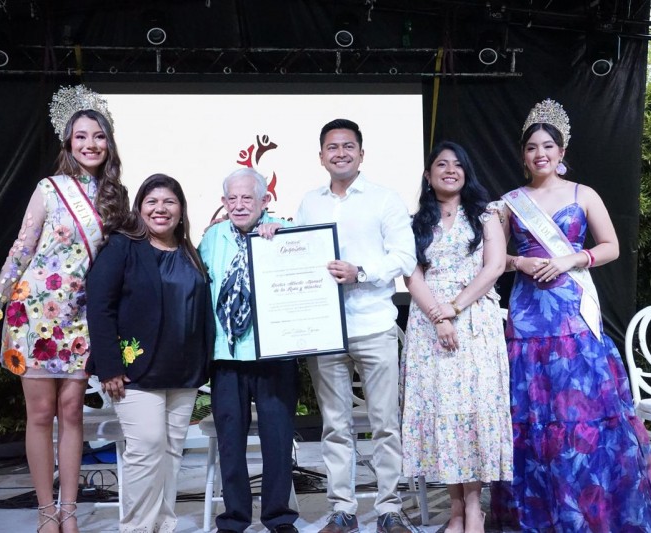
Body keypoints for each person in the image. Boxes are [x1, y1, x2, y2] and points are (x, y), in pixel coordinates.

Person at [491, 99, 651, 531]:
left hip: (574, 310)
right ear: (523, 155)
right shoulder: (510, 203)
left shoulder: (583, 194)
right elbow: (493, 259)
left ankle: (589, 508)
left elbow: (611, 246)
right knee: (532, 411)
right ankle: (538, 513)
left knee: (579, 409)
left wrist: (574, 258)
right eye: (531, 147)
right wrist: (520, 262)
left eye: (547, 146)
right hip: (528, 316)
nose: (540, 154)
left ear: (561, 151)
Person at [0, 85, 131, 533]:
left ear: (109, 142)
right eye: (81, 137)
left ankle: (70, 510)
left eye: (98, 136)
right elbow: (21, 250)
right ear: (68, 142)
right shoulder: (49, 188)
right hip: (35, 314)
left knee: (73, 412)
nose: (90, 145)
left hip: (81, 316)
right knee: (41, 415)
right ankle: (46, 511)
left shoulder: (116, 196)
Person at [295, 119, 417, 533]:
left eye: (348, 146)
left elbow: (404, 256)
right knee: (335, 425)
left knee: (385, 424)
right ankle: (342, 509)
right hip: (326, 330)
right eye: (332, 147)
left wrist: (360, 271)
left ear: (361, 154)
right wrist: (276, 232)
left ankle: (389, 509)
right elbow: (299, 255)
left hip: (374, 324)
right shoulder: (309, 203)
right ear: (321, 156)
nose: (340, 153)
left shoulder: (385, 199)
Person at [86, 174, 213, 533]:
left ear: (181, 210)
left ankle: (164, 526)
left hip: (184, 372)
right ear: (139, 208)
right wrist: (109, 365)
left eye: (169, 202)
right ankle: (137, 528)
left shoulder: (189, 252)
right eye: (152, 202)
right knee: (146, 450)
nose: (161, 209)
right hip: (134, 372)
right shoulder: (122, 247)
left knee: (171, 453)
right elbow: (99, 306)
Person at [401, 141, 512, 533]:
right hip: (429, 325)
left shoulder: (486, 215)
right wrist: (438, 314)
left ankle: (475, 508)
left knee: (473, 412)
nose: (450, 170)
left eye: (457, 165)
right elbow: (411, 274)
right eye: (441, 165)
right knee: (444, 415)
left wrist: (455, 307)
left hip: (475, 321)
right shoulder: (414, 222)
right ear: (428, 175)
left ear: (467, 173)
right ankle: (455, 510)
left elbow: (494, 266)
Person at [199, 167, 299, 533]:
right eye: (232, 199)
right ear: (223, 202)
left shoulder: (284, 232)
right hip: (226, 356)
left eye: (247, 198)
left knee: (278, 439)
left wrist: (279, 239)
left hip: (273, 353)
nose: (239, 205)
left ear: (264, 200)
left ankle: (278, 516)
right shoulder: (212, 237)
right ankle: (234, 517)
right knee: (230, 441)